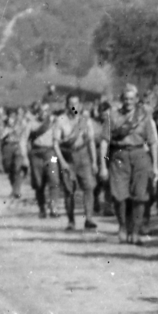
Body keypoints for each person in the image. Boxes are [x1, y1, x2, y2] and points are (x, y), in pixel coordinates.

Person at [99, 83, 158, 245]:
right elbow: (104, 142)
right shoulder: (112, 117)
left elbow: (153, 142)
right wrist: (102, 165)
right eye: (126, 99)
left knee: (140, 196)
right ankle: (123, 226)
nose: (128, 102)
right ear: (121, 100)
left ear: (137, 99)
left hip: (140, 155)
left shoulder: (144, 117)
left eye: (132, 99)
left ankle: (135, 231)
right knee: (119, 196)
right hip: (119, 156)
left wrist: (155, 166)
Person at [53, 94, 99, 230]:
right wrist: (62, 162)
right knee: (69, 190)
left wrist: (95, 161)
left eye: (76, 103)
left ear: (80, 105)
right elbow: (55, 143)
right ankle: (71, 221)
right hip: (68, 156)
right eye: (71, 103)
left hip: (83, 155)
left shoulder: (86, 121)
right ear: (66, 105)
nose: (74, 106)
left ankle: (89, 218)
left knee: (89, 187)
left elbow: (90, 141)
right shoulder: (60, 120)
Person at [26, 101, 61, 217]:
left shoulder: (53, 122)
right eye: (41, 111)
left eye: (46, 111)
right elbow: (24, 139)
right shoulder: (31, 124)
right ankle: (42, 207)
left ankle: (54, 206)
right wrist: (26, 157)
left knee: (54, 178)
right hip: (36, 154)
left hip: (51, 153)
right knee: (38, 183)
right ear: (37, 112)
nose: (43, 113)